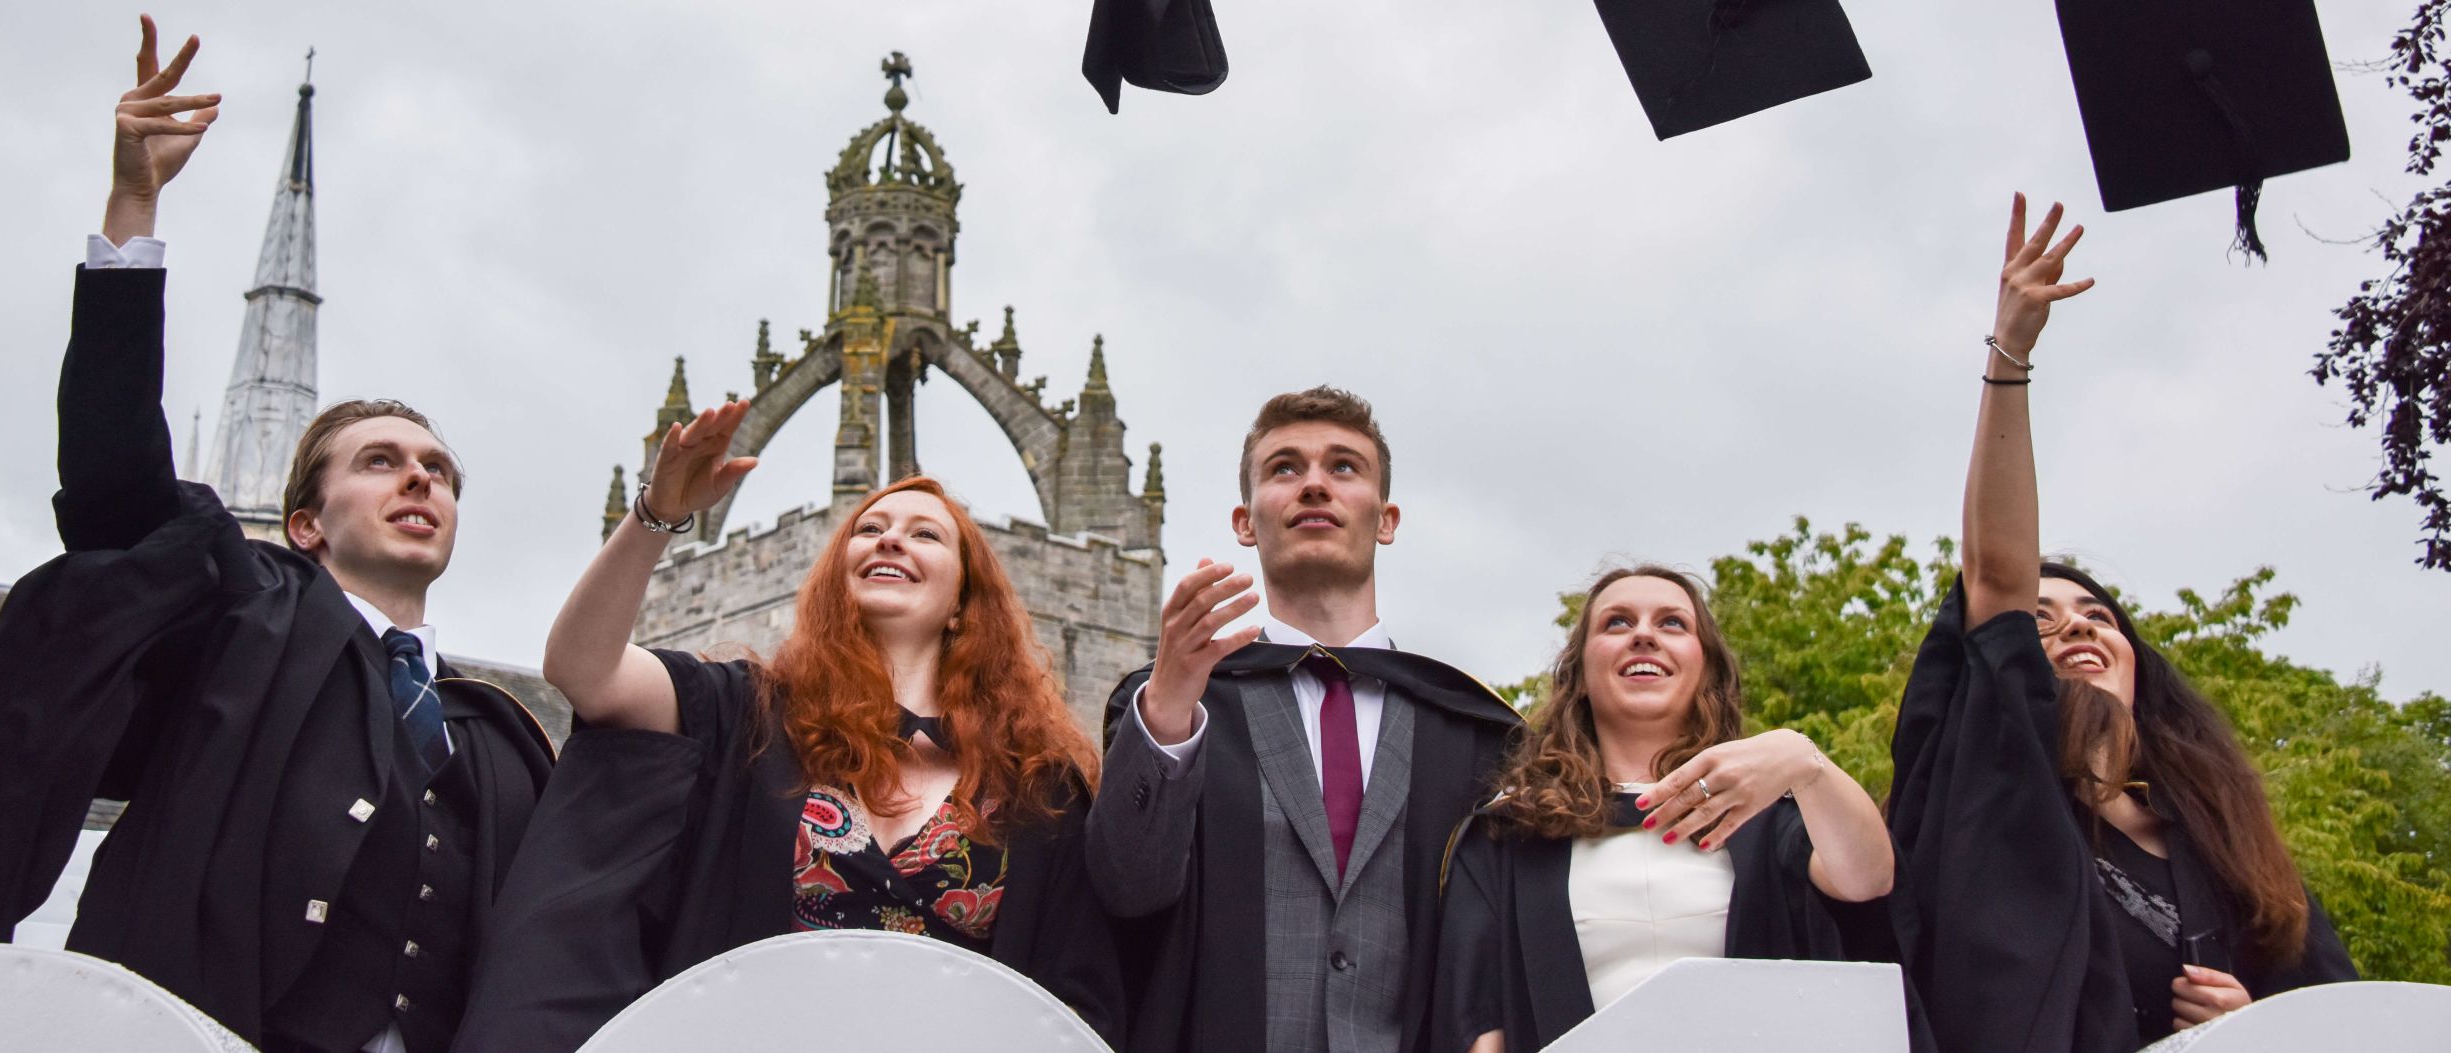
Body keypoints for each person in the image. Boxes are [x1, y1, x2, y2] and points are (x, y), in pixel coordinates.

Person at [0, 19, 556, 1053]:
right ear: (303, 524)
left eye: (439, 470)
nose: (421, 474)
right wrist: (133, 209)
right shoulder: (243, 616)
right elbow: (115, 483)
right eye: (380, 459)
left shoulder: (496, 730)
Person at [452, 414, 1124, 1051]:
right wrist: (657, 514)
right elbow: (581, 667)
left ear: (962, 602)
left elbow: (1072, 1003)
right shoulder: (745, 713)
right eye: (869, 529)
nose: (890, 538)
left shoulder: (1040, 785)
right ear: (838, 575)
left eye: (925, 534)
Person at [1887, 195, 2357, 1053]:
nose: (2078, 628)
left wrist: (2255, 1030)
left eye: (2099, 615)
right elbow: (1994, 572)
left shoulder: (2232, 850)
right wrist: (2011, 357)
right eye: (2042, 618)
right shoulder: (1992, 799)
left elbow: (2341, 1022)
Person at [1086, 387, 1522, 1053]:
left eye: (1344, 467)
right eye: (1284, 467)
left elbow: (1504, 950)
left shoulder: (1472, 729)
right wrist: (1169, 705)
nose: (1314, 483)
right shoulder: (1180, 704)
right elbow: (1125, 889)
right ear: (1244, 520)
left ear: (1386, 518)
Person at [1431, 564, 1899, 1051]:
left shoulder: (1767, 815)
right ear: (1581, 676)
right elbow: (1478, 1025)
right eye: (1617, 622)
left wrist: (1806, 760)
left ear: (1706, 668)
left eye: (1672, 622)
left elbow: (1868, 879)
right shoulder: (1510, 832)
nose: (1643, 636)